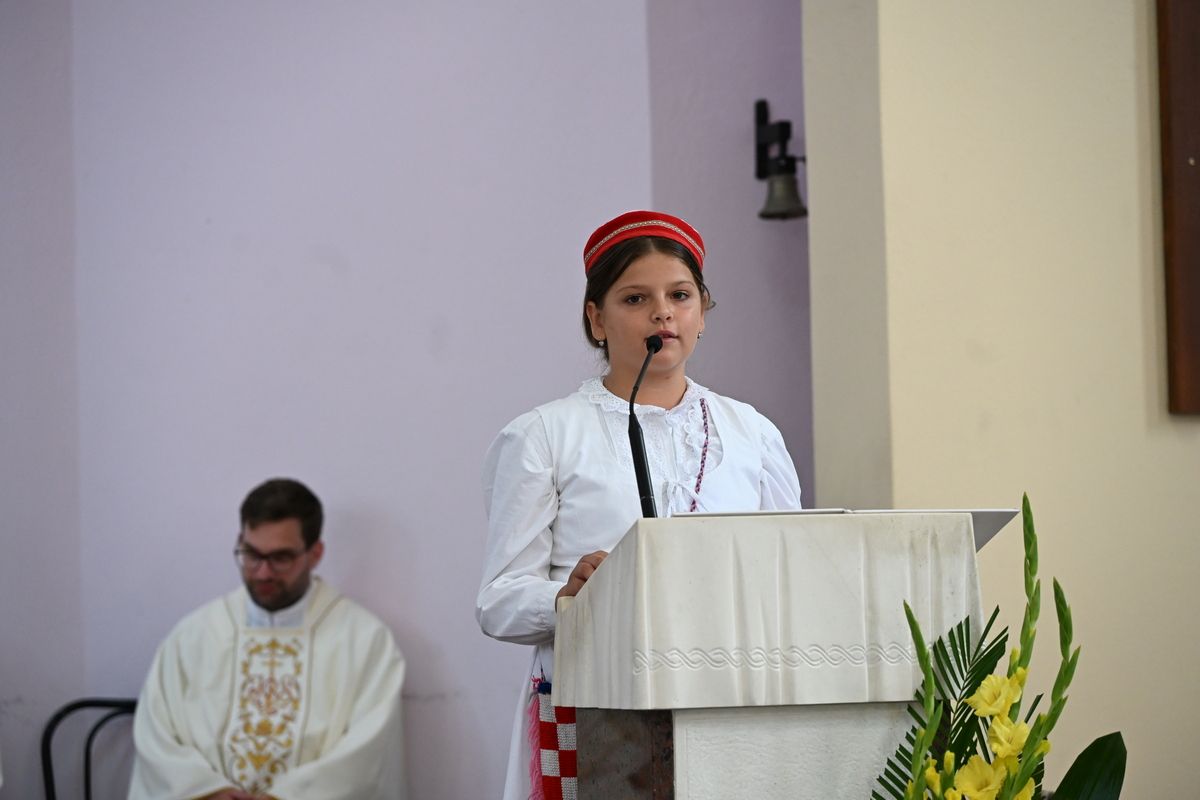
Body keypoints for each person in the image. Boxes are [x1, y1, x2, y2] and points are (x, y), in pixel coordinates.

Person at [476, 210, 803, 800]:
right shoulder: (544, 435)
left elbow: (789, 575)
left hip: (726, 708)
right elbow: (499, 602)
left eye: (680, 295)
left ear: (702, 311)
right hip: (595, 711)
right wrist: (567, 597)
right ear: (596, 319)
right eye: (635, 298)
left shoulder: (752, 433)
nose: (662, 313)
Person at [129, 478, 406, 800]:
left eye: (280, 558)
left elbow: (368, 753)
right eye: (251, 554)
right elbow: (156, 736)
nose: (262, 573)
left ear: (315, 553)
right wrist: (208, 791)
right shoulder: (194, 636)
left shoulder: (364, 640)